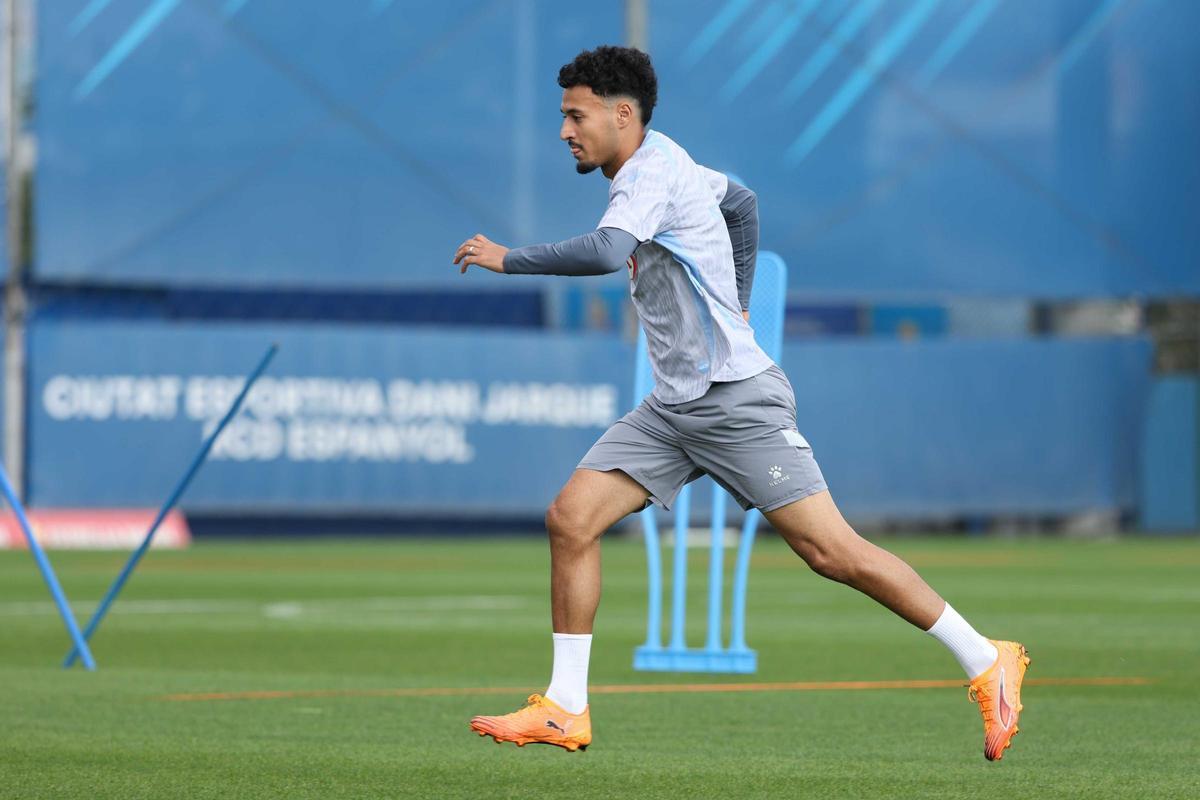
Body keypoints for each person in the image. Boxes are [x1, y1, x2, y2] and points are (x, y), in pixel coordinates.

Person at [452, 45, 1028, 761]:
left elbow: (604, 252)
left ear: (622, 114)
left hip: (735, 402)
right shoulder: (671, 162)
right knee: (571, 519)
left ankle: (988, 659)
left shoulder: (648, 174)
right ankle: (566, 707)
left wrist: (509, 258)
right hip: (674, 408)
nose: (565, 130)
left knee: (831, 552)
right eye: (564, 116)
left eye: (576, 115)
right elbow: (741, 203)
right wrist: (741, 300)